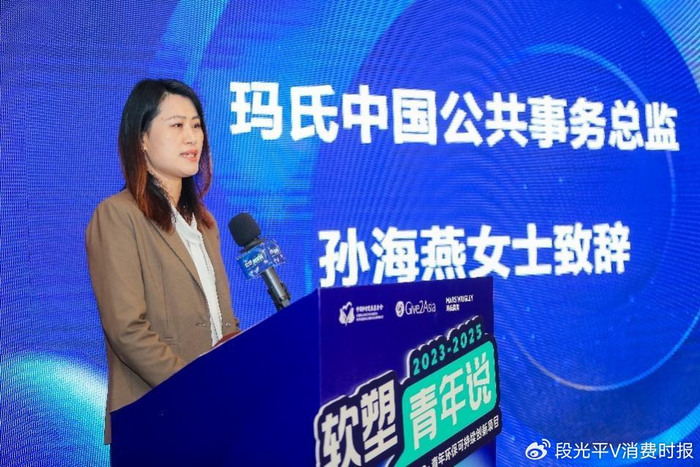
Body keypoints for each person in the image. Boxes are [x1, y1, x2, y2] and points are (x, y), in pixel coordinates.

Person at [86, 79, 240, 445]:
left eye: (196, 125)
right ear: (142, 138)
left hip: (216, 414)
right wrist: (193, 387)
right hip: (155, 417)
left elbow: (220, 320)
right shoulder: (117, 215)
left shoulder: (204, 223)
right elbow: (127, 330)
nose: (192, 137)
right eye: (177, 125)